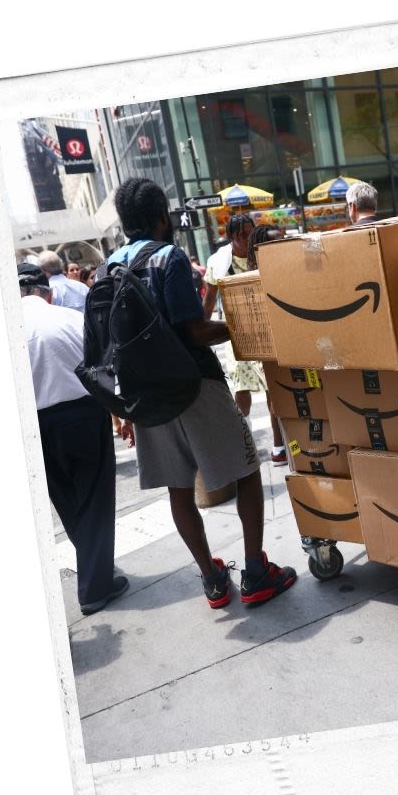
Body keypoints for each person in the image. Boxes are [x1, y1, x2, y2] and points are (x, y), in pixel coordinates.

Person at [104, 177, 296, 609]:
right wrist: (240, 327)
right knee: (247, 469)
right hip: (194, 385)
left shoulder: (107, 268)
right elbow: (193, 331)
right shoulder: (168, 257)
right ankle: (255, 572)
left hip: (146, 399)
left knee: (179, 488)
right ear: (161, 217)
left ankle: (212, 580)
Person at [19, 261, 129, 615]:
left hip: (34, 424)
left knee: (67, 500)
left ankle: (95, 568)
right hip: (82, 414)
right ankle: (95, 586)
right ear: (48, 293)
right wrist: (122, 411)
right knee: (94, 498)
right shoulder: (67, 318)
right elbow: (104, 367)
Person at [199, 213, 286, 465]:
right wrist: (200, 332)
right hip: (235, 334)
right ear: (231, 237)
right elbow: (209, 299)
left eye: (251, 232)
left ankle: (279, 445)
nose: (248, 238)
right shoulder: (219, 262)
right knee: (241, 390)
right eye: (243, 235)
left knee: (272, 389)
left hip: (265, 332)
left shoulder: (261, 253)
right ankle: (245, 446)